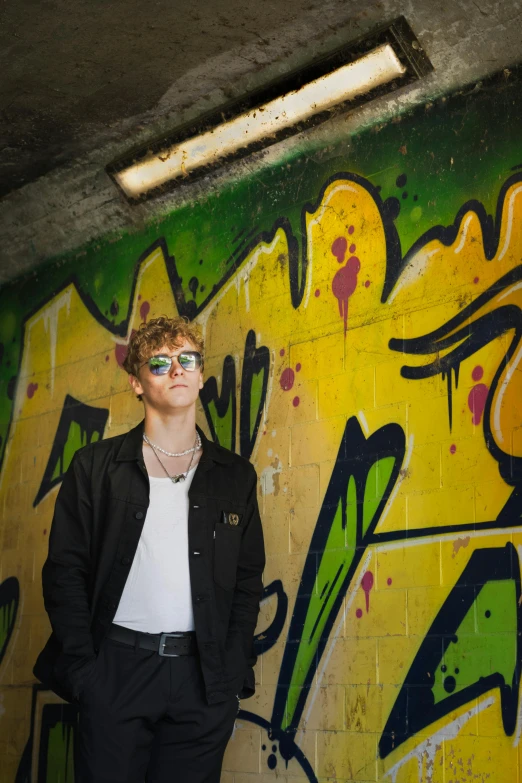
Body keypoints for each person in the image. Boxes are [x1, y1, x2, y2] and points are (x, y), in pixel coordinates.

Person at [34, 315, 266, 783]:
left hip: (203, 680)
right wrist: (86, 675)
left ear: (201, 374)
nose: (176, 370)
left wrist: (231, 671)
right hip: (116, 671)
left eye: (187, 360)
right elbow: (64, 572)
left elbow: (246, 580)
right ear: (137, 383)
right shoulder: (96, 468)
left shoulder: (235, 477)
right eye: (159, 363)